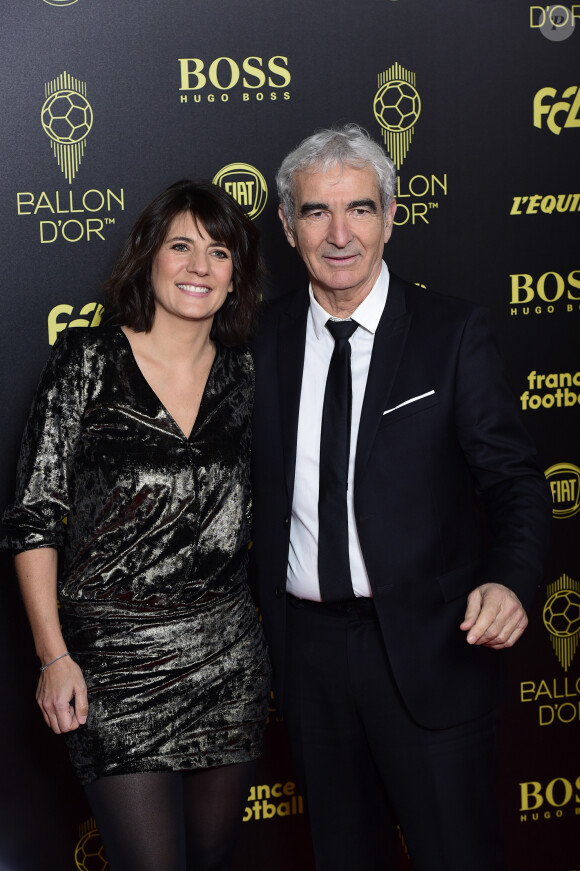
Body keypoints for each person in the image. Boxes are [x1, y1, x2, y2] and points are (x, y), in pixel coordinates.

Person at [250, 125, 552, 871]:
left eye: (359, 208)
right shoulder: (258, 338)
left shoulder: (451, 332)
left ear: (391, 215)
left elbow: (514, 480)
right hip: (308, 654)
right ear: (289, 227)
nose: (340, 232)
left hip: (433, 644)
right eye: (316, 212)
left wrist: (511, 580)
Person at [3, 179, 271, 871]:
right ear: (149, 257)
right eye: (181, 246)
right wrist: (53, 654)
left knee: (210, 856)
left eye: (218, 252)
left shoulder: (248, 376)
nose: (198, 267)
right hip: (113, 665)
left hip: (227, 660)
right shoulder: (85, 362)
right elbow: (35, 515)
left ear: (236, 275)